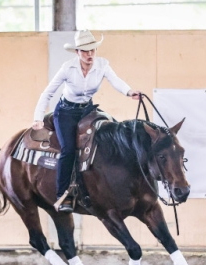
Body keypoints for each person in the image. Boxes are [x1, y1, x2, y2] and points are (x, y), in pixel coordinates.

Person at [32, 30, 140, 213]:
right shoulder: (68, 67)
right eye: (84, 51)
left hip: (87, 110)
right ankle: (63, 195)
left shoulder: (103, 64)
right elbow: (48, 92)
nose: (89, 54)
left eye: (92, 50)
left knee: (110, 131)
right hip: (66, 112)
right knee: (68, 150)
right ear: (77, 53)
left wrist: (130, 92)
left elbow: (116, 80)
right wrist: (37, 117)